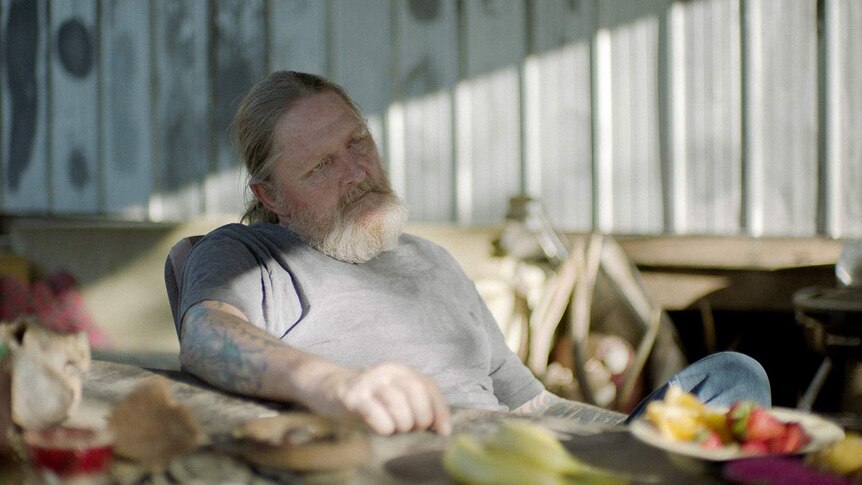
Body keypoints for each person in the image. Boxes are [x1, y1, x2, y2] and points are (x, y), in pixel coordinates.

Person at [176, 71, 771, 436]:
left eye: (358, 142)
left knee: (733, 379)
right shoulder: (249, 253)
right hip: (407, 462)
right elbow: (207, 332)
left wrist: (623, 435)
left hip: (520, 455)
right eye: (321, 165)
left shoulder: (432, 261)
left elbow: (532, 405)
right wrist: (332, 386)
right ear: (270, 195)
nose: (357, 172)